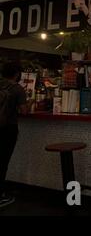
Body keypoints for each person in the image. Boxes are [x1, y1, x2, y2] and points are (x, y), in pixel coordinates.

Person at [0, 62, 30, 208]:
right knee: (3, 162)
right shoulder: (18, 90)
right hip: (8, 129)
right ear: (17, 74)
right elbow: (24, 111)